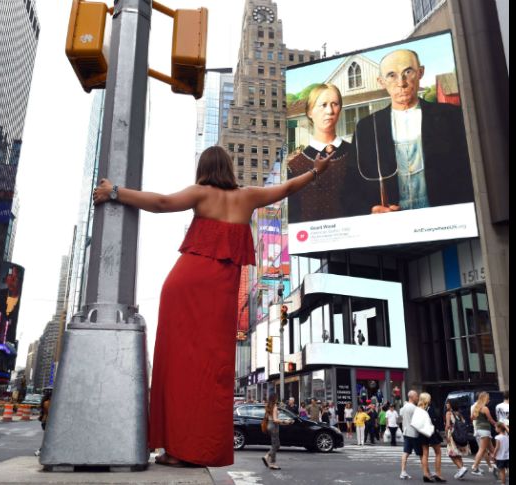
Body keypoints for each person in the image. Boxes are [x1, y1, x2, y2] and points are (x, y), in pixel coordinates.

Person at [93, 145, 332, 467]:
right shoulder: (249, 196)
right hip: (221, 296)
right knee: (212, 372)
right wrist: (316, 170)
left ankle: (175, 448)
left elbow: (162, 204)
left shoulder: (201, 192)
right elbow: (288, 187)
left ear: (204, 168)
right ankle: (193, 450)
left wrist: (115, 192)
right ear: (229, 168)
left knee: (177, 367)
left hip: (184, 286)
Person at [353, 49, 473, 214]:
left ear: (420, 72)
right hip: (394, 227)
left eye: (407, 72)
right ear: (381, 81)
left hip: (445, 222)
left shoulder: (451, 116)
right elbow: (352, 187)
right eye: (391, 75)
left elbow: (470, 173)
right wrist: (372, 209)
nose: (401, 83)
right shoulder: (365, 128)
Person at [287, 83, 361, 222]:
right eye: (323, 105)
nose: (330, 111)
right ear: (310, 112)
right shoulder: (294, 167)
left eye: (335, 104)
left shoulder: (358, 154)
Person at [416, 393, 446, 483]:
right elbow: (434, 420)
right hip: (430, 432)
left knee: (425, 453)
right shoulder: (430, 408)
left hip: (421, 433)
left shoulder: (418, 409)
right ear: (427, 399)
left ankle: (426, 474)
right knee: (438, 452)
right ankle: (438, 474)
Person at [469, 391, 499, 476]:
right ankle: (474, 467)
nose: (489, 399)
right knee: (482, 450)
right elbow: (490, 420)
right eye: (488, 398)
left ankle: (499, 466)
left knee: (492, 449)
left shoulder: (476, 407)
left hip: (478, 430)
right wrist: (497, 424)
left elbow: (471, 418)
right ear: (484, 398)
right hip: (485, 430)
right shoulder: (485, 408)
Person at [262, 394, 291, 470]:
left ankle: (269, 459)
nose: (277, 399)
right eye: (277, 398)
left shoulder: (269, 406)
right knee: (276, 445)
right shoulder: (274, 407)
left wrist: (285, 423)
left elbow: (271, 419)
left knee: (276, 445)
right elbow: (275, 419)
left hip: (270, 425)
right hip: (274, 426)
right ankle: (271, 461)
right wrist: (284, 421)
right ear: (274, 399)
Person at [444, 400, 470, 480]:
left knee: (451, 453)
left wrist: (446, 436)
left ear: (451, 405)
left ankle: (461, 468)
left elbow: (447, 425)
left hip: (452, 435)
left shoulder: (448, 413)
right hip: (460, 435)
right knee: (457, 454)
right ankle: (461, 471)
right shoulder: (459, 414)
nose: (446, 404)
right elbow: (464, 423)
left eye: (448, 403)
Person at [399, 390, 422, 480]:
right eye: (416, 396)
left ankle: (403, 471)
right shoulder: (414, 408)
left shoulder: (404, 407)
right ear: (412, 397)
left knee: (406, 452)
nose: (417, 398)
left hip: (406, 432)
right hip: (414, 433)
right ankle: (426, 471)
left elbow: (400, 414)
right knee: (421, 453)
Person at [34, 388, 52, 457]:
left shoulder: (47, 402)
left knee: (49, 438)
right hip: (47, 422)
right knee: (48, 439)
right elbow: (50, 412)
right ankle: (39, 451)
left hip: (46, 422)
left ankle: (41, 451)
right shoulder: (47, 403)